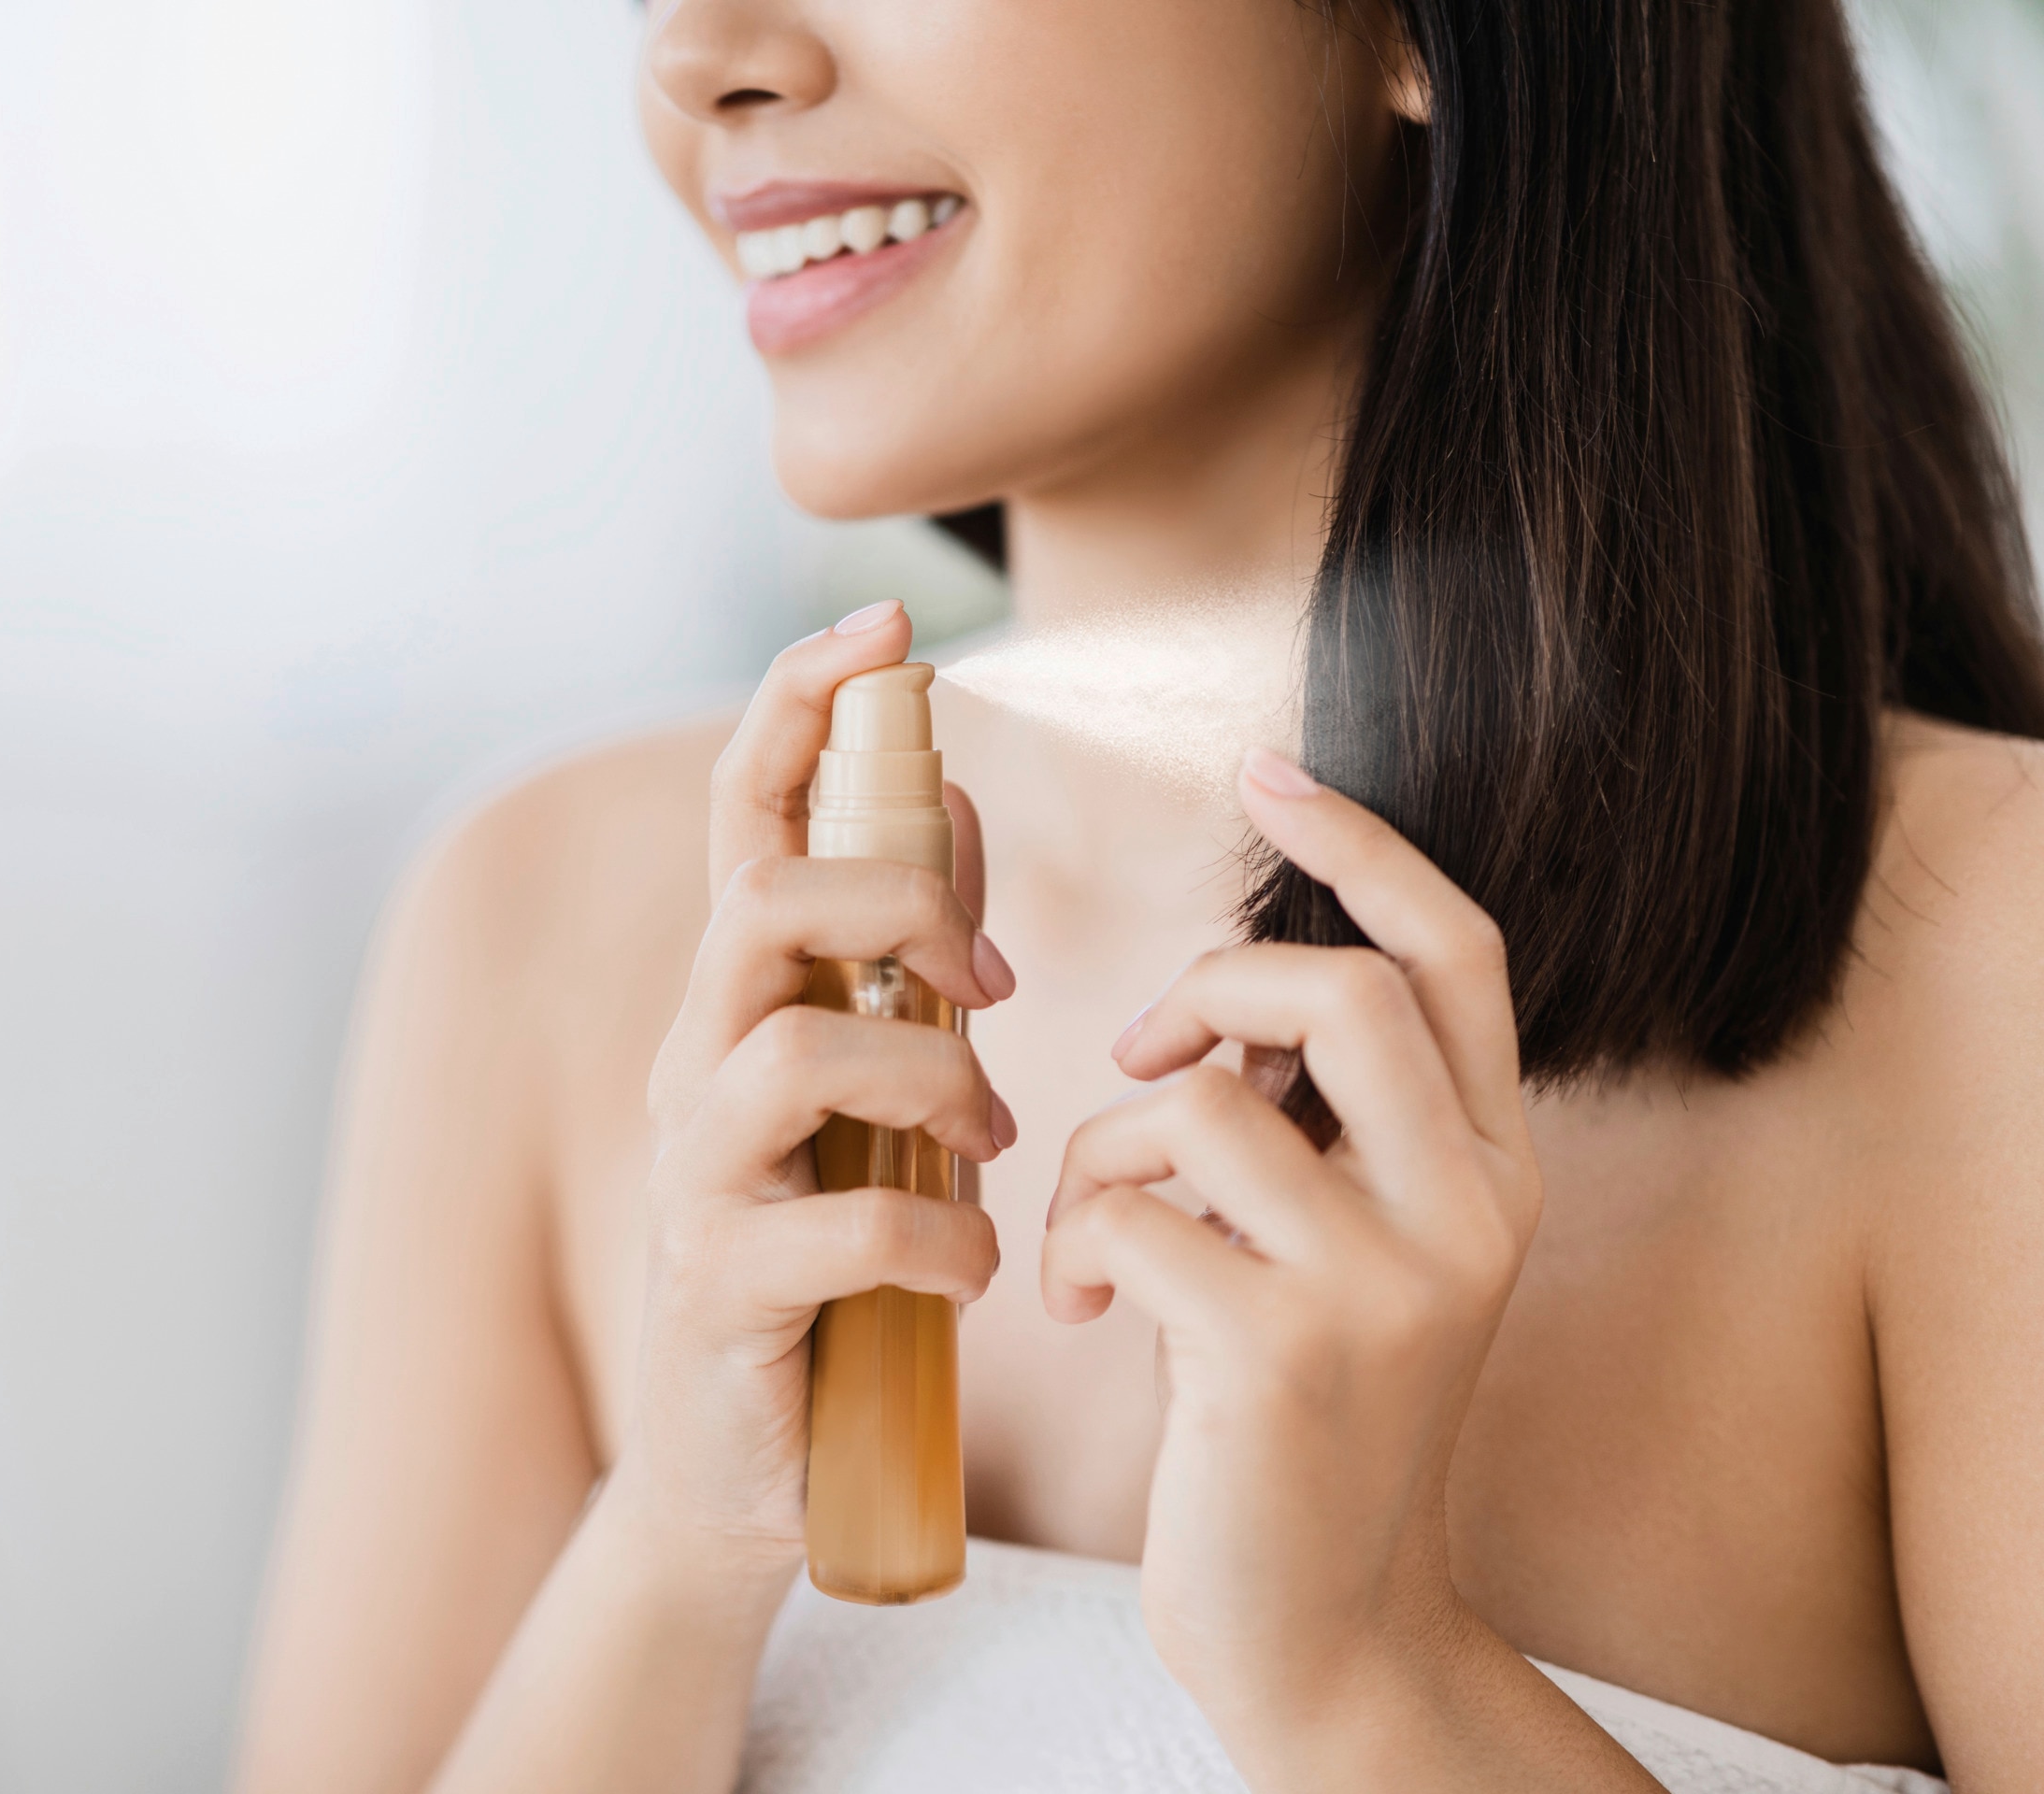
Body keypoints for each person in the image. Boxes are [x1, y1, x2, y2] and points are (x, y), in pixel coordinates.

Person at [235, 1, 2044, 1788]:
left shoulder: (1985, 961)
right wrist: (671, 1553)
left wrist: (1363, 1679)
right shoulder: (541, 924)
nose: (698, 56)